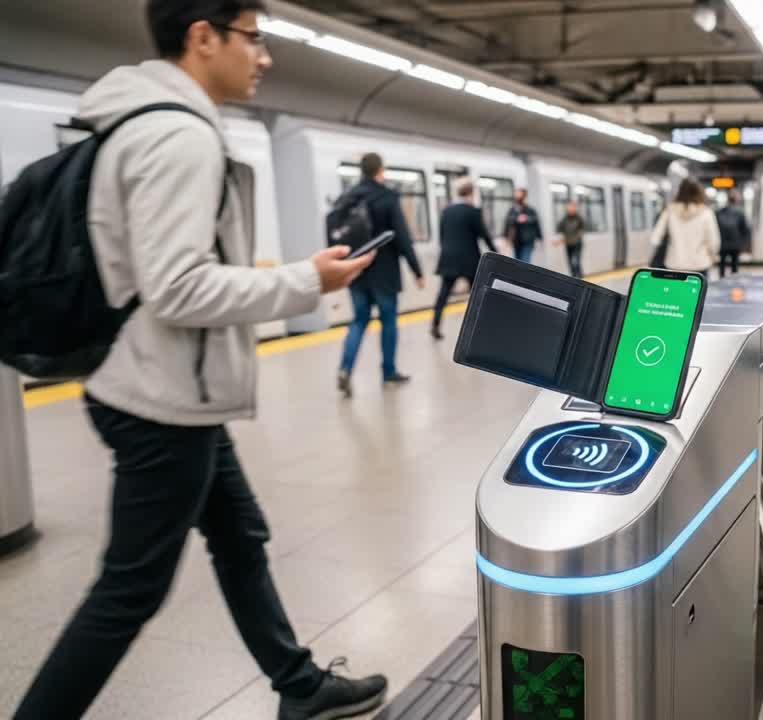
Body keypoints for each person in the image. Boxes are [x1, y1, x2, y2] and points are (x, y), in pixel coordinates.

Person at [13, 3, 390, 720]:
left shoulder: (144, 121)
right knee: (129, 592)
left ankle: (299, 686)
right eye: (254, 39)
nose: (264, 57)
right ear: (202, 37)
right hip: (160, 400)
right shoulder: (177, 136)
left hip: (166, 387)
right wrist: (308, 280)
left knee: (239, 537)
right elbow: (178, 287)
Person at [335, 152, 425, 397]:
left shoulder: (348, 197)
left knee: (359, 321)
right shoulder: (387, 197)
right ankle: (388, 372)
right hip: (384, 272)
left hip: (356, 270)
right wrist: (417, 270)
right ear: (380, 171)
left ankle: (345, 368)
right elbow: (402, 236)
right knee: (388, 321)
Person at [432, 178, 496, 340]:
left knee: (443, 294)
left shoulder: (446, 211)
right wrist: (495, 252)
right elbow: (484, 235)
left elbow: (442, 235)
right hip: (469, 259)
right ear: (471, 193)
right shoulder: (473, 212)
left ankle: (435, 325)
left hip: (448, 258)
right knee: (477, 294)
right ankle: (481, 328)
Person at [650, 178, 720, 275]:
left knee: (674, 290)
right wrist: (713, 257)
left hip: (674, 264)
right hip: (699, 264)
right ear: (699, 192)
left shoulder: (669, 210)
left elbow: (655, 238)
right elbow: (713, 242)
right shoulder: (706, 212)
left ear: (680, 191)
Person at [714, 189, 750, 278]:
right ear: (737, 199)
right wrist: (744, 244)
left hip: (723, 244)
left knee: (722, 265)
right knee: (734, 266)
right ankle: (733, 282)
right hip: (735, 244)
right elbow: (745, 229)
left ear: (727, 199)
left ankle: (721, 281)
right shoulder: (740, 212)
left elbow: (715, 228)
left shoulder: (719, 212)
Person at [503, 187, 542, 263]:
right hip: (516, 239)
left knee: (525, 260)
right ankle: (519, 274)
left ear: (524, 196)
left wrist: (526, 219)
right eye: (516, 194)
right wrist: (505, 236)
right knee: (517, 261)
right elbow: (508, 222)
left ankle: (524, 274)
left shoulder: (530, 210)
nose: (517, 196)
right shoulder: (512, 210)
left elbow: (536, 222)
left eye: (519, 194)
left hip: (528, 239)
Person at [555, 200, 587, 278]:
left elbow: (582, 229)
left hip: (577, 244)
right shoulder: (564, 219)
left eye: (572, 207)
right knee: (570, 262)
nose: (570, 209)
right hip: (568, 244)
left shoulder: (579, 218)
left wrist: (578, 235)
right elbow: (560, 229)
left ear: (575, 208)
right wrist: (559, 240)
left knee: (576, 261)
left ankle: (579, 277)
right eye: (568, 207)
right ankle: (574, 277)